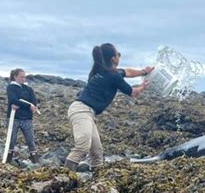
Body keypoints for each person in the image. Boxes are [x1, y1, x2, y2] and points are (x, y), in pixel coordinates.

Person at [64, 43, 152, 171]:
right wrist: (144, 86)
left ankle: (96, 179)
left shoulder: (102, 71)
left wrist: (144, 71)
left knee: (97, 151)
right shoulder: (113, 76)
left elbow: (127, 72)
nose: (119, 56)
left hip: (87, 112)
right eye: (118, 54)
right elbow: (133, 92)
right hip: (81, 110)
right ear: (113, 59)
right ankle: (63, 177)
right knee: (82, 146)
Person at [6, 68, 40, 163]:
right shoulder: (11, 87)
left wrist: (29, 105)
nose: (23, 79)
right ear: (15, 76)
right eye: (21, 77)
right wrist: (28, 105)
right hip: (14, 118)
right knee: (11, 141)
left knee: (30, 141)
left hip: (27, 119)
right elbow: (13, 99)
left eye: (24, 77)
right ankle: (8, 161)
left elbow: (33, 102)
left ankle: (35, 162)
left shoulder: (28, 89)